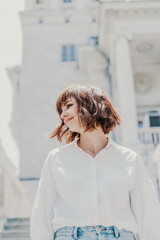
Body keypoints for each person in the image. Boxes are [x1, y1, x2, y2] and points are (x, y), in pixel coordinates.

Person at [30, 84, 160, 240]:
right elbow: (41, 215)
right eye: (61, 111)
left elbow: (148, 216)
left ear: (90, 104)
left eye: (69, 106)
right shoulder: (56, 159)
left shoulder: (129, 159)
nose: (63, 115)